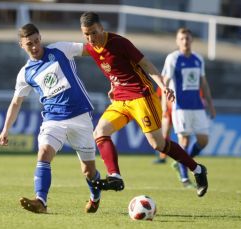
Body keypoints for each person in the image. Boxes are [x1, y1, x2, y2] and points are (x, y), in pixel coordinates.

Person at [79, 12, 208, 197]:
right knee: (99, 132)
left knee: (158, 144)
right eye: (86, 34)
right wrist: (113, 85)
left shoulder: (120, 43)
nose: (90, 38)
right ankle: (115, 176)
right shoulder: (91, 48)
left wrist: (163, 86)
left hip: (141, 96)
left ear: (102, 27)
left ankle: (197, 170)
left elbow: (145, 64)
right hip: (120, 100)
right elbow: (114, 67)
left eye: (93, 32)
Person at [0, 23, 102, 214]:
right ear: (22, 45)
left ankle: (95, 197)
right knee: (44, 151)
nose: (35, 46)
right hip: (53, 119)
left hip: (80, 116)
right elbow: (15, 103)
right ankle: (41, 201)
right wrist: (5, 129)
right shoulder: (25, 73)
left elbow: (93, 50)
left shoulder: (60, 49)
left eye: (37, 41)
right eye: (30, 44)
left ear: (41, 38)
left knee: (89, 171)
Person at [162, 28, 216, 188]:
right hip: (180, 106)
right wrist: (165, 106)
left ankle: (181, 163)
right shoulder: (173, 58)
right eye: (182, 39)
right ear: (178, 41)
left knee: (203, 140)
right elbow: (165, 82)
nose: (185, 41)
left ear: (192, 40)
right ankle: (185, 178)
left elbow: (203, 84)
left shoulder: (198, 59)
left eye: (187, 38)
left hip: (198, 106)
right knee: (183, 140)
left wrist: (210, 105)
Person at [152, 87, 173, 164]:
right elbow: (159, 97)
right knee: (165, 134)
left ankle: (186, 155)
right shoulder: (163, 83)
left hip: (176, 110)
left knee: (183, 134)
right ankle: (162, 156)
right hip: (167, 110)